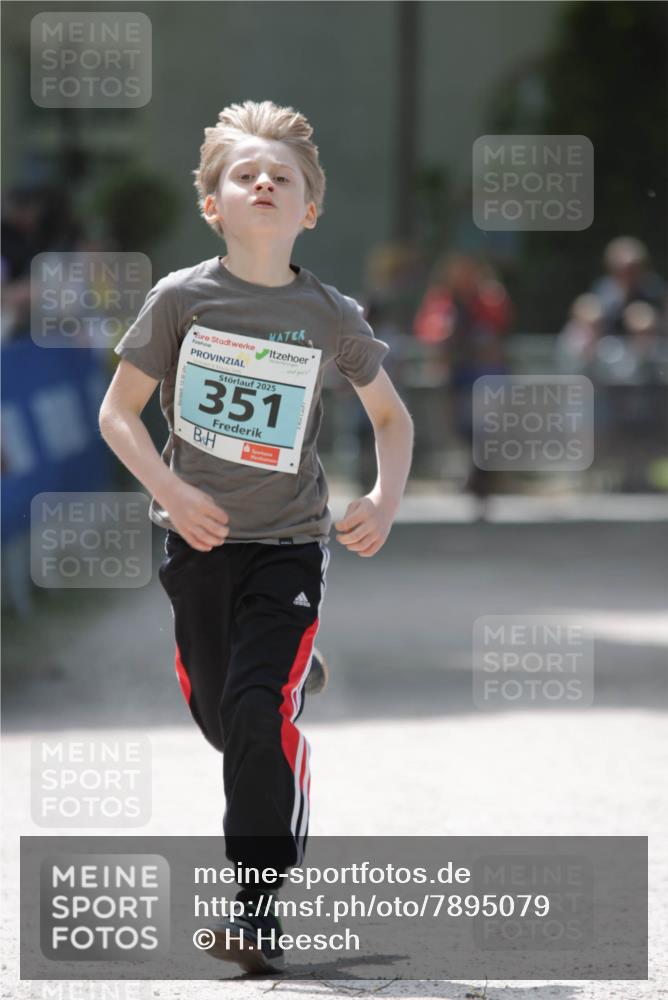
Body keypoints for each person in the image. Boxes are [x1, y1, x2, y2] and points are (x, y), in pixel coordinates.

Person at [98, 99, 414, 973]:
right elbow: (118, 413)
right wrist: (168, 486)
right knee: (219, 715)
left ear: (310, 207)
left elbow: (391, 417)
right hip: (193, 545)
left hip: (288, 545)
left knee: (252, 710)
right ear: (215, 203)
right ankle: (282, 679)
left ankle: (256, 910)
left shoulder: (328, 312)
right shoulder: (180, 299)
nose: (264, 183)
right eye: (246, 174)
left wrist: (384, 499)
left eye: (284, 177)